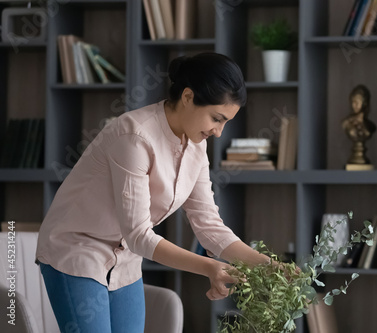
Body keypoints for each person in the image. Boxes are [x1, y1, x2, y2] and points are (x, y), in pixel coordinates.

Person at [35, 52, 271, 332]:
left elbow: (209, 226)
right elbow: (138, 234)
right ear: (187, 97)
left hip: (125, 257)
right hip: (76, 249)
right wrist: (209, 267)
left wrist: (268, 267)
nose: (219, 132)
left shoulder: (197, 145)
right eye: (216, 118)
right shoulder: (134, 136)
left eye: (225, 122)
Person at [341, 84, 376, 164]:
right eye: (353, 102)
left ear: (364, 103)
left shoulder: (370, 126)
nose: (355, 105)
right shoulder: (347, 123)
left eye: (357, 101)